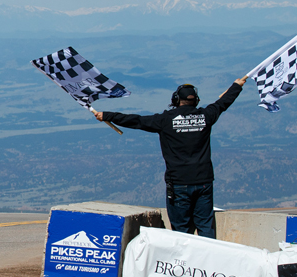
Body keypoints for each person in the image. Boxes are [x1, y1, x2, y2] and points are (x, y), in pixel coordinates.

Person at [93, 78, 247, 238]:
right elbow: (223, 103)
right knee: (205, 227)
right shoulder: (206, 116)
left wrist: (107, 115)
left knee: (181, 231)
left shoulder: (165, 120)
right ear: (196, 101)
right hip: (204, 181)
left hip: (179, 183)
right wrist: (237, 86)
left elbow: (137, 121)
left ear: (176, 100)